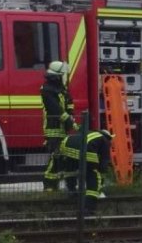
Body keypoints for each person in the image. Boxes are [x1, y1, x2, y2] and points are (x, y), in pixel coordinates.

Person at [60, 128, 113, 215]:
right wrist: (101, 177)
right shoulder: (104, 140)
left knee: (70, 171)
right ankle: (88, 208)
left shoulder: (89, 133)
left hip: (66, 146)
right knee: (93, 175)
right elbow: (104, 162)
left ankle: (71, 191)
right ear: (108, 137)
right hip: (85, 150)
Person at [40, 60, 75, 190]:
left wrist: (71, 113)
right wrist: (69, 120)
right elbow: (55, 109)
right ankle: (49, 185)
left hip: (62, 128)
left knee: (60, 157)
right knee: (55, 157)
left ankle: (55, 185)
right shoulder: (47, 89)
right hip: (52, 128)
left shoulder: (62, 89)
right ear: (57, 75)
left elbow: (69, 102)